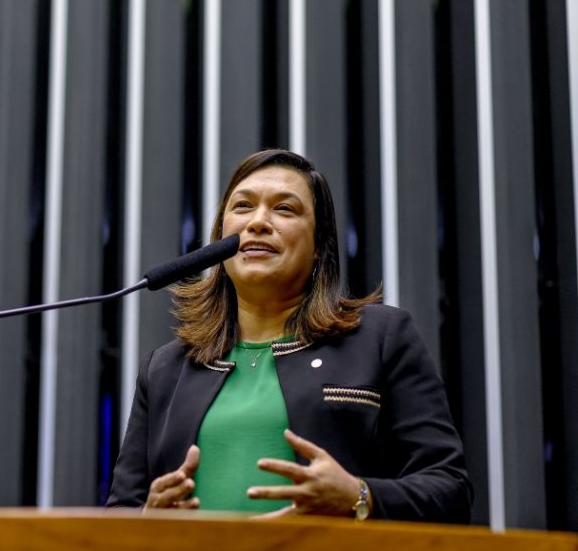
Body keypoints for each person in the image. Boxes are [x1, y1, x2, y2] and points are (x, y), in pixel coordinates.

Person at [106, 149, 472, 523]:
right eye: (243, 206)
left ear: (318, 249)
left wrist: (358, 496)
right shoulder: (165, 368)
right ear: (219, 241)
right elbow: (119, 513)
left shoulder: (380, 338)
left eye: (285, 209)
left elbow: (450, 489)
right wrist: (148, 520)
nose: (258, 222)